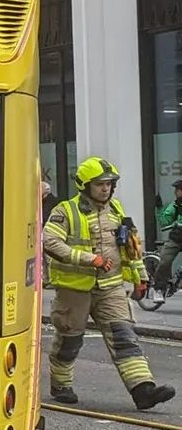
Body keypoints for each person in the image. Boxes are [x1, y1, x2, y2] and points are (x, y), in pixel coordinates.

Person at [43, 157, 176, 410]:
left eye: (109, 184)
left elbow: (131, 250)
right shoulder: (65, 211)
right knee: (70, 340)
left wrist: (141, 279)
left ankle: (143, 389)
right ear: (85, 185)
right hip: (75, 289)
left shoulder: (116, 210)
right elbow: (50, 242)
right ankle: (61, 385)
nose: (105, 188)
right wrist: (89, 259)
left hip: (111, 288)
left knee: (125, 337)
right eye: (99, 184)